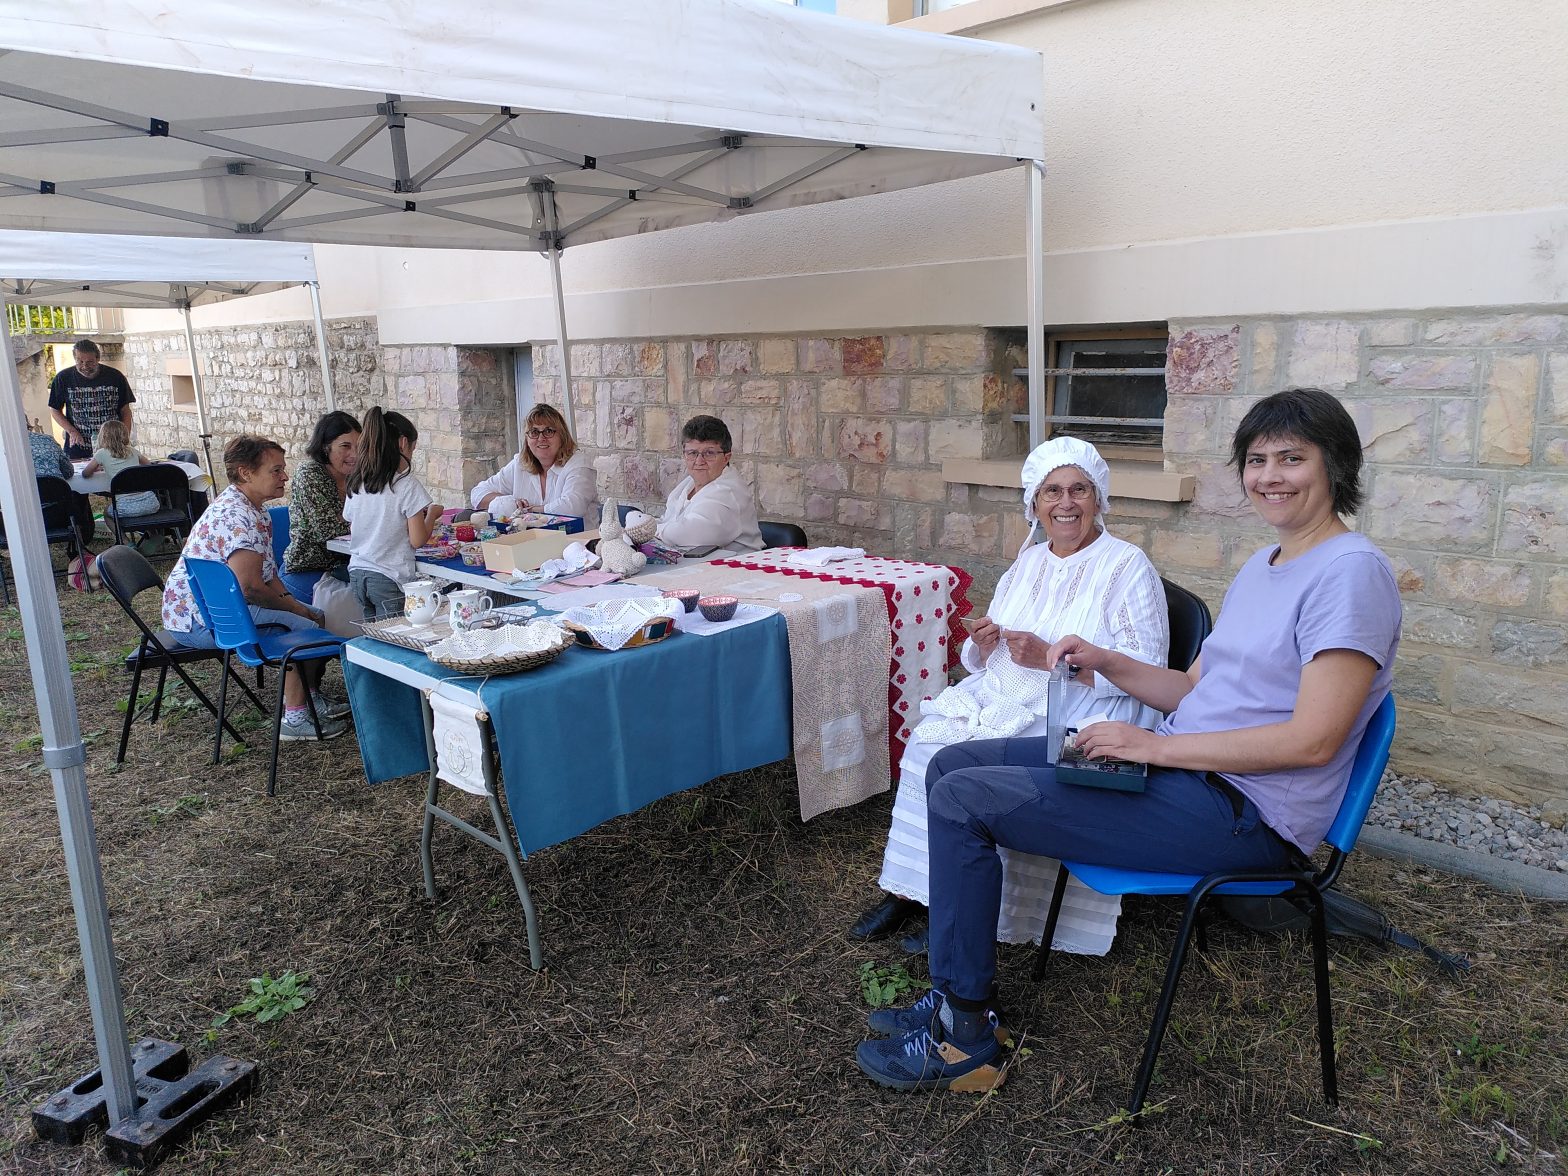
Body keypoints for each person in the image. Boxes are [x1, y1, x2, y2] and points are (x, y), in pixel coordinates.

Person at [855, 388, 1402, 1094]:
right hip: (1187, 778)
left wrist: (1154, 748)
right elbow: (1191, 691)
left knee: (964, 799)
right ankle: (954, 990)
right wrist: (1105, 661)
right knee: (953, 763)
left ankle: (967, 1039)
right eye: (1257, 459)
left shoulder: (1350, 575)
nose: (1270, 476)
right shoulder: (1264, 565)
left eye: (1292, 459)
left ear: (1336, 465)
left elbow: (1313, 741)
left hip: (1244, 814)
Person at [850, 437, 1168, 954]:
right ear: (1034, 504)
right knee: (927, 744)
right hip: (1008, 692)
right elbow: (985, 658)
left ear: (1099, 498)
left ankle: (976, 907)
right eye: (1052, 492)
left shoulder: (1127, 566)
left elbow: (1147, 671)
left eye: (1079, 490)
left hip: (1084, 706)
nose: (1066, 503)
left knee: (977, 771)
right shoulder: (1028, 562)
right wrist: (984, 644)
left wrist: (1053, 660)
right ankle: (916, 887)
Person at [161, 435, 350, 740]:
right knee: (305, 628)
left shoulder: (252, 508)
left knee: (315, 616)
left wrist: (294, 604)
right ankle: (295, 720)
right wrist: (295, 610)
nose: (285, 476)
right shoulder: (238, 517)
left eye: (283, 469)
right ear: (246, 473)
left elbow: (268, 574)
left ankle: (308, 698)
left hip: (206, 609)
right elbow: (250, 588)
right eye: (276, 470)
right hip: (203, 620)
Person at [344, 408, 443, 620]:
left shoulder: (358, 482)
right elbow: (417, 540)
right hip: (388, 577)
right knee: (393, 633)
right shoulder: (406, 485)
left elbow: (355, 525)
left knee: (373, 633)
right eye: (413, 449)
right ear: (403, 443)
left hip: (358, 573)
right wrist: (431, 516)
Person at [469, 404, 597, 521]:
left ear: (562, 436)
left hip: (576, 538)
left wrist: (530, 510)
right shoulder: (520, 464)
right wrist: (510, 502)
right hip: (529, 537)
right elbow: (477, 494)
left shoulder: (579, 463)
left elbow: (573, 507)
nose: (541, 438)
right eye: (534, 432)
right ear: (527, 438)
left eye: (548, 431)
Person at [282, 410, 361, 600]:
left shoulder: (359, 476)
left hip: (351, 563)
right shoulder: (309, 474)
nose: (355, 454)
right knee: (372, 596)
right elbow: (327, 530)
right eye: (345, 446)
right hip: (310, 567)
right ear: (326, 447)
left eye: (360, 446)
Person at [655, 415, 763, 552]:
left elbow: (689, 534)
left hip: (735, 564)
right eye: (692, 453)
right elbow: (667, 521)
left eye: (709, 453)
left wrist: (647, 529)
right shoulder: (689, 484)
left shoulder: (727, 493)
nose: (699, 461)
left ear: (726, 458)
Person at [48, 339, 134, 460]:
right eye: (80, 361)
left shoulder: (115, 377)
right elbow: (55, 410)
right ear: (75, 359)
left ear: (98, 359)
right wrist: (71, 431)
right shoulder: (63, 378)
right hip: (78, 447)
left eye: (90, 362)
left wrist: (125, 437)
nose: (85, 366)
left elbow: (125, 410)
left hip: (113, 446)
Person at [82, 419, 159, 520]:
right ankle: (146, 530)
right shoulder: (133, 451)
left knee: (107, 513)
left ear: (103, 437)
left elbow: (85, 473)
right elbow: (149, 466)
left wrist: (96, 468)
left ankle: (120, 531)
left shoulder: (101, 453)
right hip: (150, 502)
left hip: (125, 505)